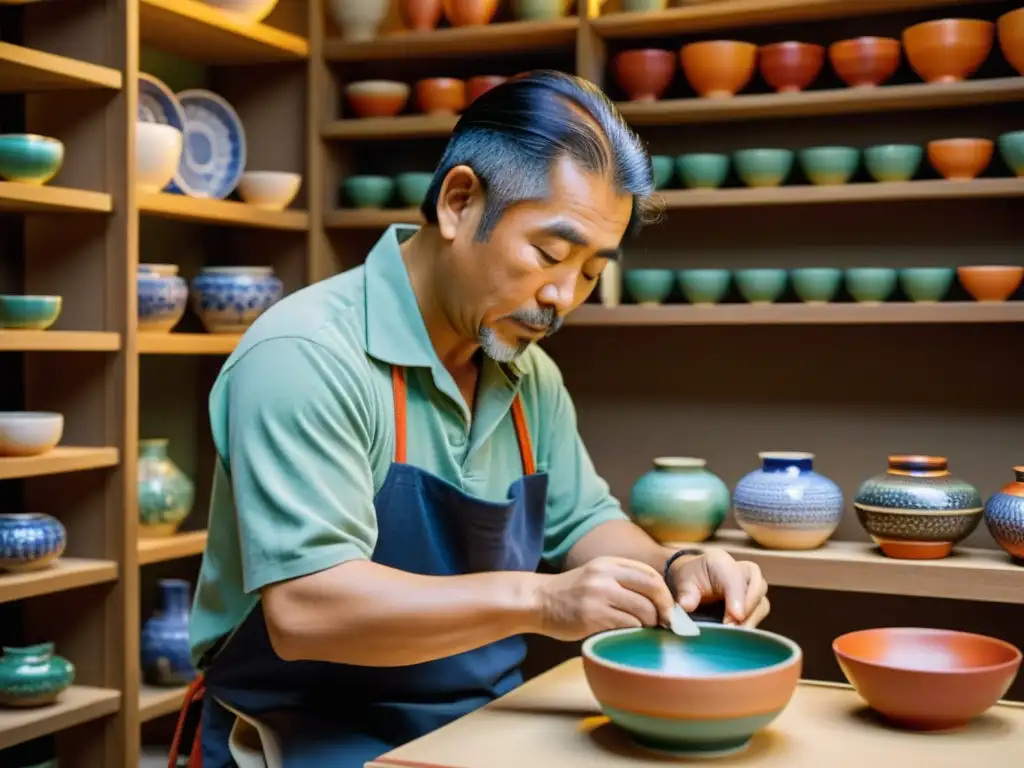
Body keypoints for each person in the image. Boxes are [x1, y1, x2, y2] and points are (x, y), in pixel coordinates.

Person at [168, 70, 771, 768]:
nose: (560, 296)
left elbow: (583, 525)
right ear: (459, 202)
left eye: (590, 271)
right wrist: (543, 602)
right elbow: (310, 609)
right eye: (549, 254)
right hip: (303, 734)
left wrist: (676, 567)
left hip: (485, 727)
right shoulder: (306, 355)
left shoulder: (528, 372)